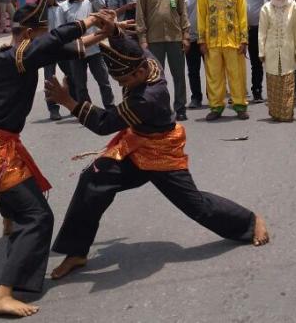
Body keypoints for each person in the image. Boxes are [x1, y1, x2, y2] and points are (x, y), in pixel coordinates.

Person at [46, 35, 270, 281]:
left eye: (125, 80)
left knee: (196, 205)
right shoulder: (148, 62)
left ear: (141, 72)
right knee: (93, 180)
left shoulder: (146, 98)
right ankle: (76, 251)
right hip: (135, 146)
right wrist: (114, 31)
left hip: (161, 154)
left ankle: (250, 221)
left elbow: (104, 123)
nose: (124, 85)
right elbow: (137, 47)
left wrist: (67, 101)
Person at [0, 0, 118, 318]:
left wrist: (107, 32)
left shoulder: (24, 54)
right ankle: (2, 294)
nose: (48, 37)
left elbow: (72, 47)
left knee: (21, 201)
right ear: (32, 33)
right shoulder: (12, 57)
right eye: (45, 31)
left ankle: (9, 220)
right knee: (38, 217)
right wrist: (89, 19)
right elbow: (59, 40)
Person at [136, 0, 190, 121]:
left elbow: (183, 14)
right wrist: (142, 40)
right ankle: (159, 108)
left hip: (175, 38)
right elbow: (140, 16)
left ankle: (180, 108)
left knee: (179, 75)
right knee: (155, 77)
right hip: (154, 40)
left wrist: (186, 35)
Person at [197, 0, 249, 121]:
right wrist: (201, 40)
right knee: (214, 76)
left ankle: (240, 105)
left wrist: (244, 40)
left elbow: (242, 17)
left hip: (233, 42)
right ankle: (216, 106)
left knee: (237, 75)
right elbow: (201, 18)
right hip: (212, 43)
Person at [60, 0, 114, 110]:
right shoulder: (63, 7)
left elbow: (103, 5)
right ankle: (87, 111)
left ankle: (110, 107)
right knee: (80, 85)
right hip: (76, 52)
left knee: (104, 82)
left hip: (95, 50)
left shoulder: (90, 2)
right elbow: (61, 30)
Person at [258, 0, 296, 121]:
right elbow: (262, 32)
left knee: (287, 82)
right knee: (273, 83)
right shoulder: (266, 8)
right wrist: (261, 51)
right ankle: (276, 113)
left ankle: (286, 113)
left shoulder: (293, 6)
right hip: (271, 50)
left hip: (288, 50)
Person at [231, 0, 271, 102]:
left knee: (256, 62)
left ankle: (257, 91)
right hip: (239, 30)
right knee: (236, 63)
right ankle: (239, 92)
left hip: (257, 30)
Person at [41, 0, 76, 121]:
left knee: (71, 75)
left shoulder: (61, 7)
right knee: (49, 79)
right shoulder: (39, 10)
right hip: (47, 49)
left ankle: (74, 105)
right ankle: (53, 109)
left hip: (62, 47)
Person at [184, 0, 205, 108]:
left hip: (208, 39)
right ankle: (196, 98)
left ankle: (214, 97)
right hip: (191, 39)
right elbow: (181, 16)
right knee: (193, 71)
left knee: (212, 70)